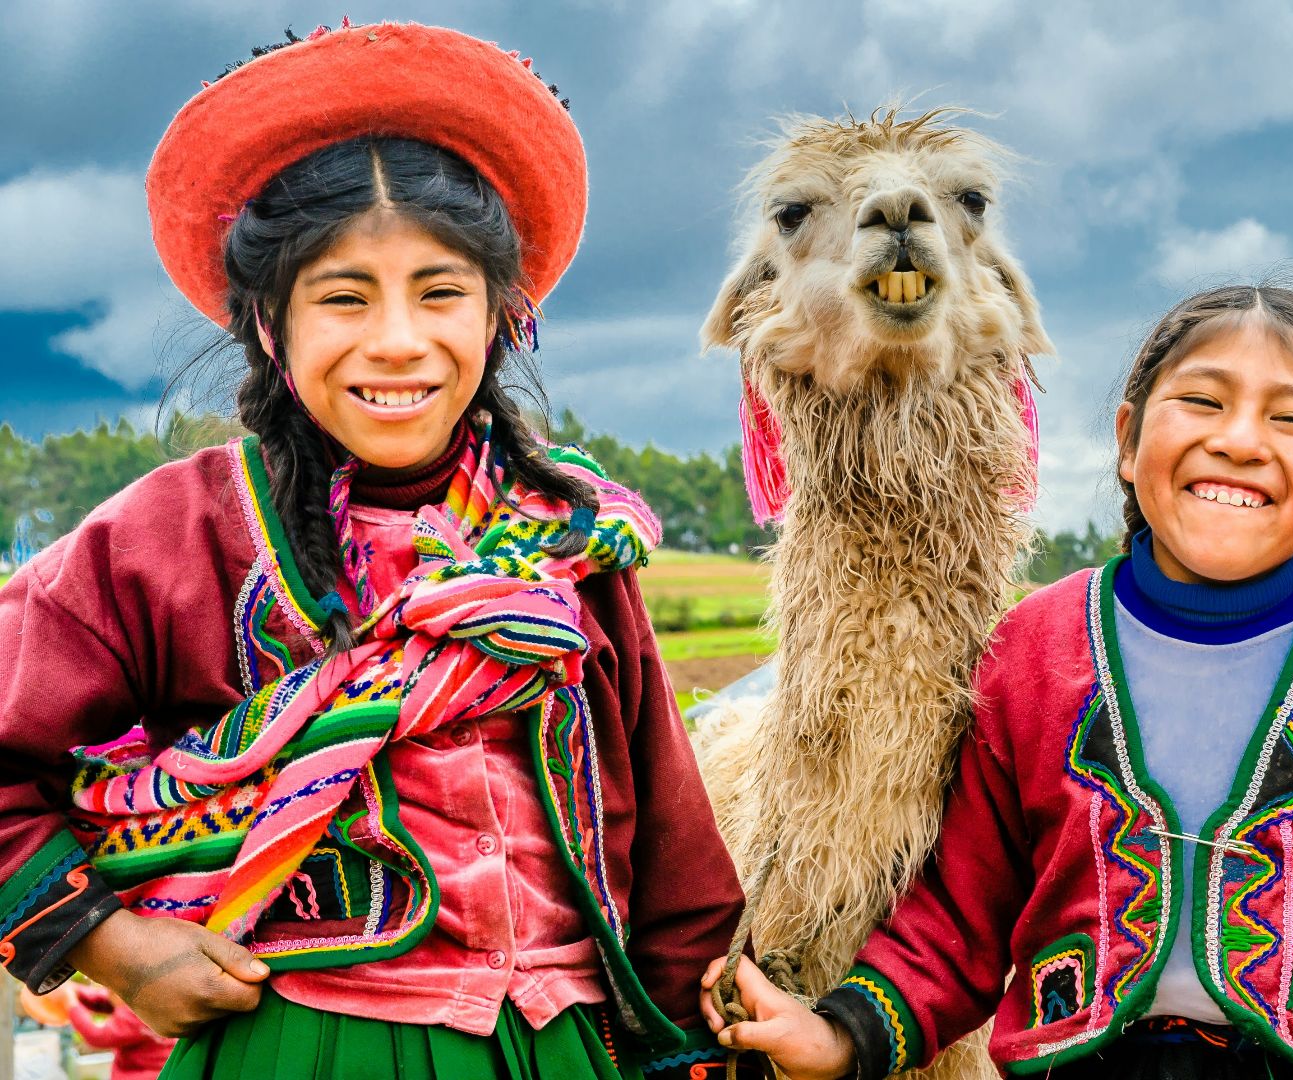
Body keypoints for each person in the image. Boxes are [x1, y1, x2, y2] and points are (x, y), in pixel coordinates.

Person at [0, 21, 746, 1079]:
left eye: (440, 292)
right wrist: (115, 949)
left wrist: (692, 1042)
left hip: (565, 1044)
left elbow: (674, 856)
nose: (397, 340)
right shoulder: (175, 538)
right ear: (271, 324)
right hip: (300, 1043)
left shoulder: (571, 548)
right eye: (343, 297)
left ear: (501, 318)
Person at [702, 283, 1293, 1079]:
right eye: (1204, 402)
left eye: (1290, 418)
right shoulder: (1035, 651)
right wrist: (840, 1033)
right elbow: (959, 917)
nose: (1240, 440)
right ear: (1129, 441)